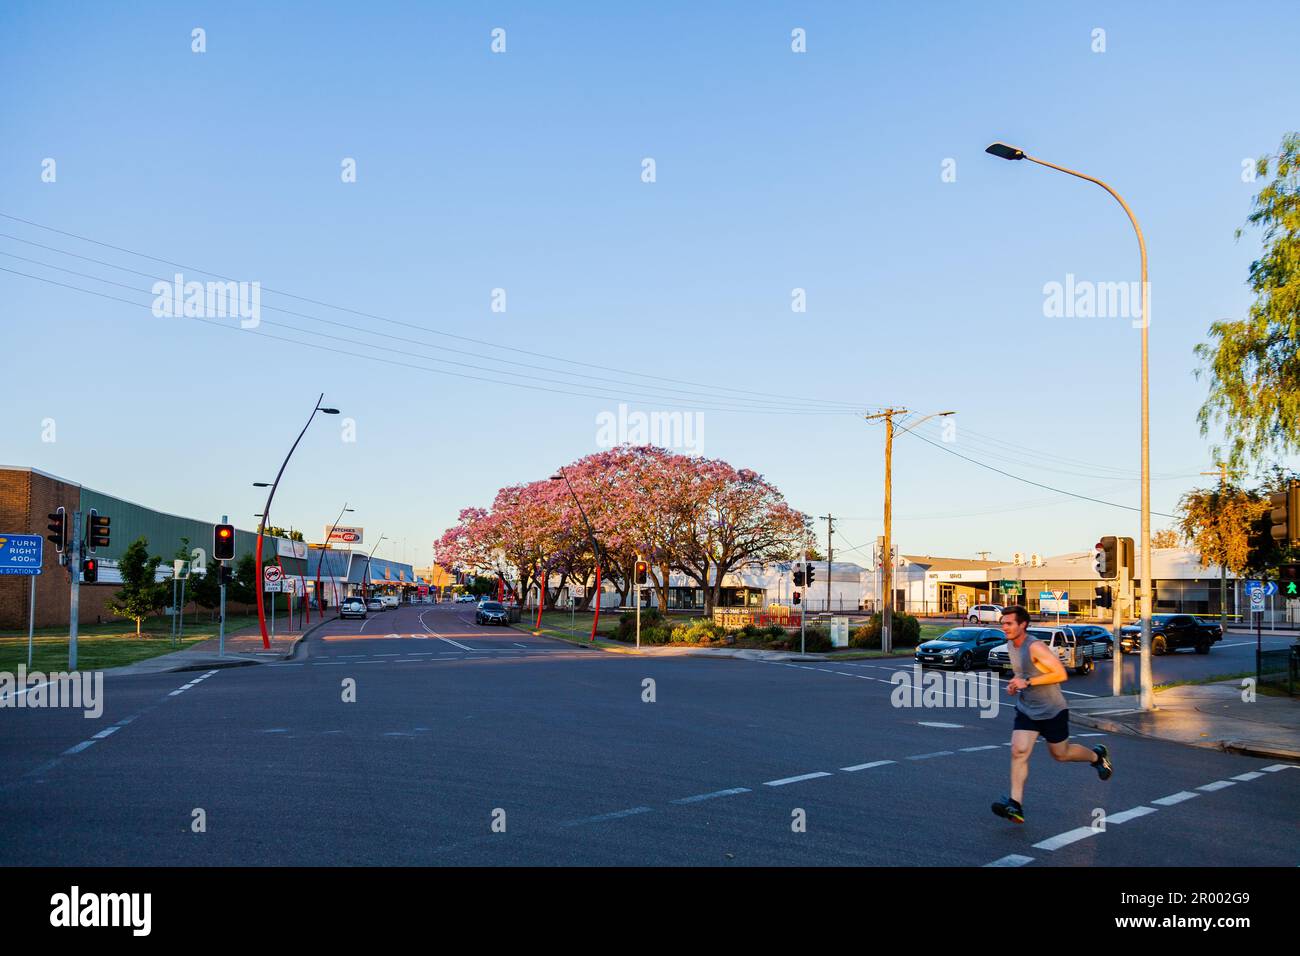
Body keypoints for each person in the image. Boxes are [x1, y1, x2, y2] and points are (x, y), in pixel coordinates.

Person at [992, 605, 1112, 823]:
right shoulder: (1011, 645)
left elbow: (1060, 673)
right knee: (1018, 750)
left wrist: (1026, 682)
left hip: (1052, 710)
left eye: (1009, 623)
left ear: (1023, 625)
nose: (1004, 627)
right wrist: (1016, 684)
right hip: (1027, 708)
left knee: (1061, 754)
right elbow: (1023, 674)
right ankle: (1015, 804)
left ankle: (1097, 756)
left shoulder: (1035, 646)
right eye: (1003, 623)